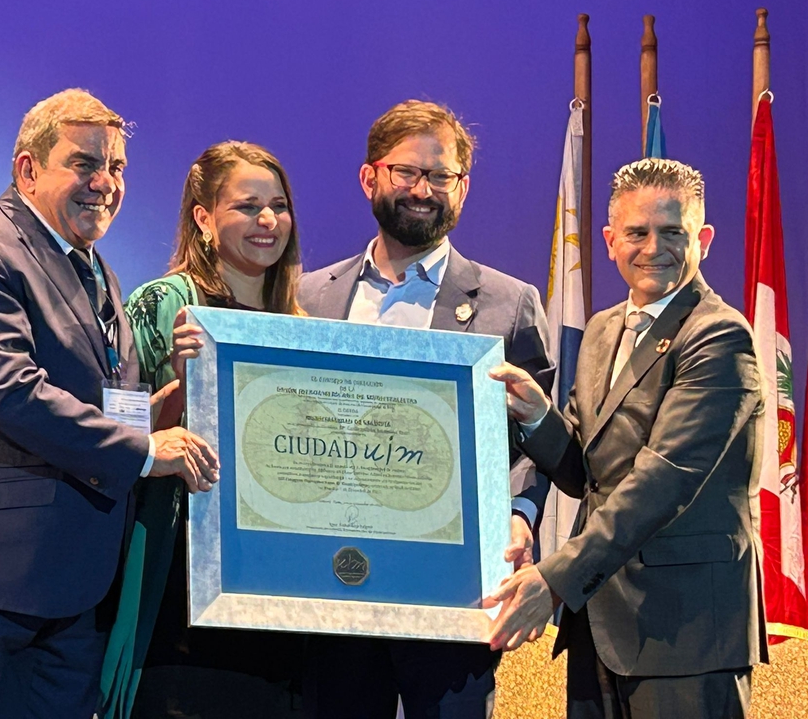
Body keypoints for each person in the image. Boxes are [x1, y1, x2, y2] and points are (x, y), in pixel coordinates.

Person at [0, 89, 220, 719]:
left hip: (75, 588)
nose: (105, 183)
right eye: (84, 164)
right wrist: (145, 451)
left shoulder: (98, 272)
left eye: (116, 167)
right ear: (28, 170)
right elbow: (10, 391)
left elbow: (106, 408)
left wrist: (181, 394)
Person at [297, 100, 554, 718]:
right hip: (332, 592)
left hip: (452, 590)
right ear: (370, 178)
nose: (423, 190)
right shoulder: (308, 297)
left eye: (441, 175)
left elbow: (537, 439)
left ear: (463, 187)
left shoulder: (510, 304)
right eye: (407, 172)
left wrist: (518, 515)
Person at [488, 158, 768, 718]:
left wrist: (555, 580)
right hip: (600, 622)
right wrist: (538, 417)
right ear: (611, 240)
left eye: (673, 232)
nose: (653, 248)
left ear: (703, 240)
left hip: (687, 632)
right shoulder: (602, 329)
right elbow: (586, 473)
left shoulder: (718, 334)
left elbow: (663, 481)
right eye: (637, 232)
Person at [100, 141, 306, 719]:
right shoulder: (162, 303)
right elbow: (117, 433)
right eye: (247, 206)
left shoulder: (301, 321)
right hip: (183, 590)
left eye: (279, 206)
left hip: (276, 587)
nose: (268, 221)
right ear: (204, 218)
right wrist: (185, 388)